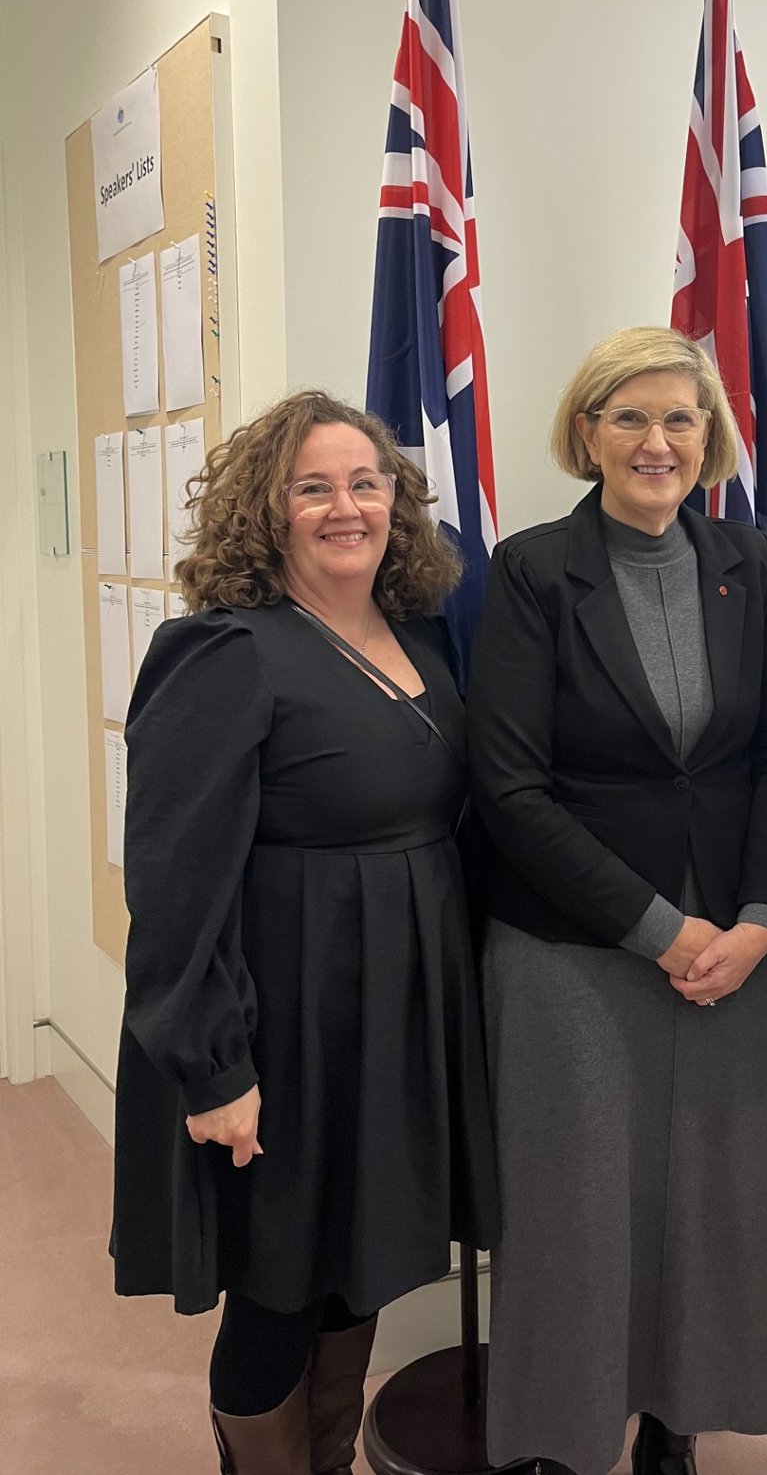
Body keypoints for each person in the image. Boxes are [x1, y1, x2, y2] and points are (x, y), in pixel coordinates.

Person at [111, 390, 500, 1474]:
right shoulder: (223, 649)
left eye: (365, 482)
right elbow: (175, 879)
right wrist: (211, 1064)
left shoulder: (420, 632)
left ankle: (326, 1455)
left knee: (353, 1266)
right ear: (266, 509)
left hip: (395, 1006)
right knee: (278, 1284)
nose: (345, 506)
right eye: (313, 486)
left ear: (396, 501)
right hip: (281, 1017)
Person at [467, 328, 767, 1475]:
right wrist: (659, 927)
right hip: (573, 944)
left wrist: (761, 918)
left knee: (711, 1199)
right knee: (573, 1214)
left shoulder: (748, 560)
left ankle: (680, 1421)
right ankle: (564, 1435)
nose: (658, 440)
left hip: (730, 942)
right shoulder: (528, 570)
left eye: (682, 418)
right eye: (631, 417)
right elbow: (507, 786)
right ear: (586, 434)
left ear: (709, 438)